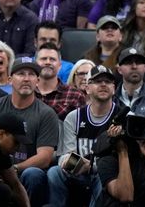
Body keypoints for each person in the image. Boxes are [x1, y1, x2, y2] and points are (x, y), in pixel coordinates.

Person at [0, 57, 60, 206]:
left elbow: (44, 157)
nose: (26, 79)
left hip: (25, 172)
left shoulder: (46, 113)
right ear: (10, 79)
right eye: (21, 73)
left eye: (31, 74)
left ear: (37, 81)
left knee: (33, 174)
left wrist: (13, 169)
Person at [47, 64, 120, 207]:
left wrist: (91, 166)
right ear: (87, 88)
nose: (103, 84)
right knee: (55, 172)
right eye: (98, 81)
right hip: (78, 173)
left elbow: (124, 163)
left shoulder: (124, 117)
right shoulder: (74, 117)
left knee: (103, 176)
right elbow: (66, 157)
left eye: (108, 81)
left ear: (114, 88)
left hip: (109, 176)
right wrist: (84, 164)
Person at [34, 42, 86, 120]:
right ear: (35, 64)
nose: (48, 62)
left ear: (60, 66)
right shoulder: (27, 93)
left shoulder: (75, 96)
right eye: (43, 59)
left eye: (52, 59)